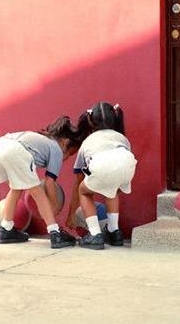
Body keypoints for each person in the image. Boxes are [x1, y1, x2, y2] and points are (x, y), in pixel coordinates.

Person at [0, 116, 80, 249]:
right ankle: (54, 232)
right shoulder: (56, 149)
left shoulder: (45, 140)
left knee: (16, 188)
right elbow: (50, 182)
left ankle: (6, 229)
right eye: (71, 154)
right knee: (37, 190)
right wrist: (54, 207)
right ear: (65, 143)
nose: (67, 158)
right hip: (15, 150)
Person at [65, 102, 137, 250]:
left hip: (101, 165)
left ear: (90, 120)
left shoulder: (88, 142)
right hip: (128, 166)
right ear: (115, 119)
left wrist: (71, 213)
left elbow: (78, 179)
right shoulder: (121, 137)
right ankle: (114, 231)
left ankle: (95, 234)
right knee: (113, 188)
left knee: (84, 191)